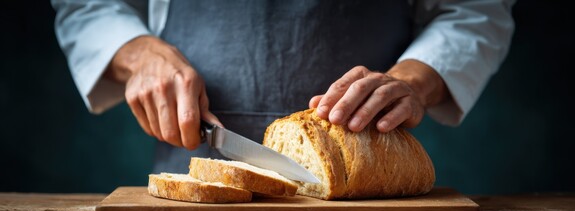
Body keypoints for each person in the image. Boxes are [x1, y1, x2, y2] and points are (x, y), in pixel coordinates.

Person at [51, 0, 515, 173]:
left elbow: (477, 10)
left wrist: (412, 79)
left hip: (367, 196)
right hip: (192, 168)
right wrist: (136, 52)